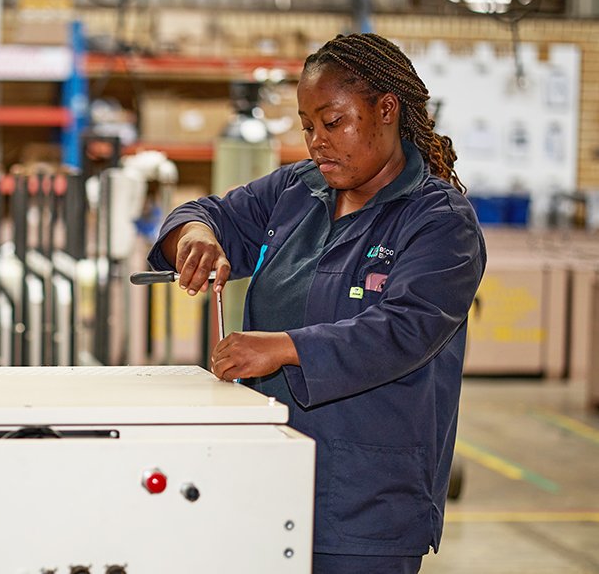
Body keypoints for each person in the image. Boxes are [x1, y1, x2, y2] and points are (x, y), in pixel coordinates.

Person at [147, 33, 486, 573]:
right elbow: (210, 212)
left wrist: (283, 348)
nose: (317, 143)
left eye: (332, 123)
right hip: (268, 479)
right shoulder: (298, 192)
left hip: (367, 505)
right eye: (307, 127)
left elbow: (404, 328)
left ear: (387, 109)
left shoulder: (439, 221)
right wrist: (195, 236)